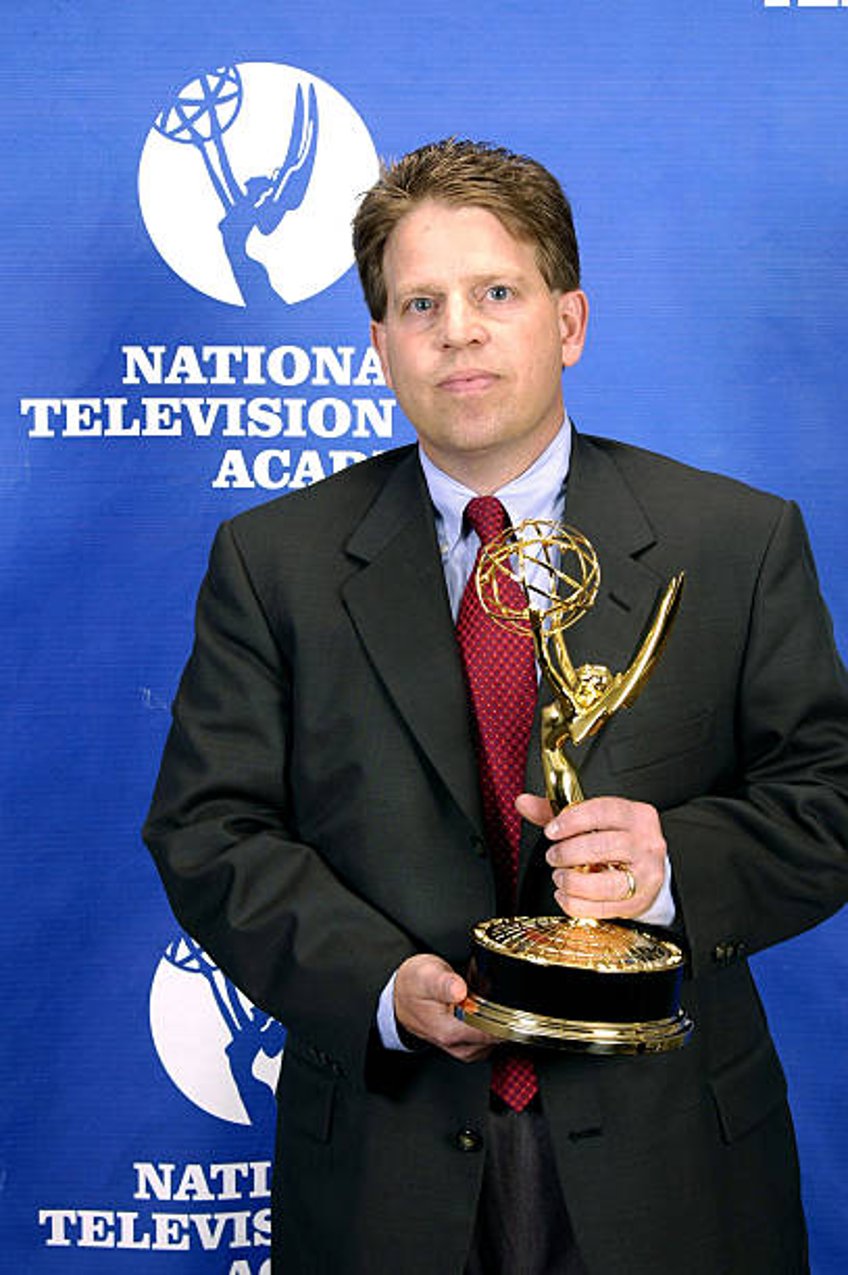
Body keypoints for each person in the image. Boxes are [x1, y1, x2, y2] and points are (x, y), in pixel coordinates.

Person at [143, 138, 848, 1274]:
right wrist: (378, 985)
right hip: (386, 1161)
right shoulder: (272, 562)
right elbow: (207, 830)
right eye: (419, 303)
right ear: (379, 346)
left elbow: (827, 801)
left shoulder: (735, 541)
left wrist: (668, 868)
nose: (457, 329)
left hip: (674, 1168)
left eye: (495, 293)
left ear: (565, 323)